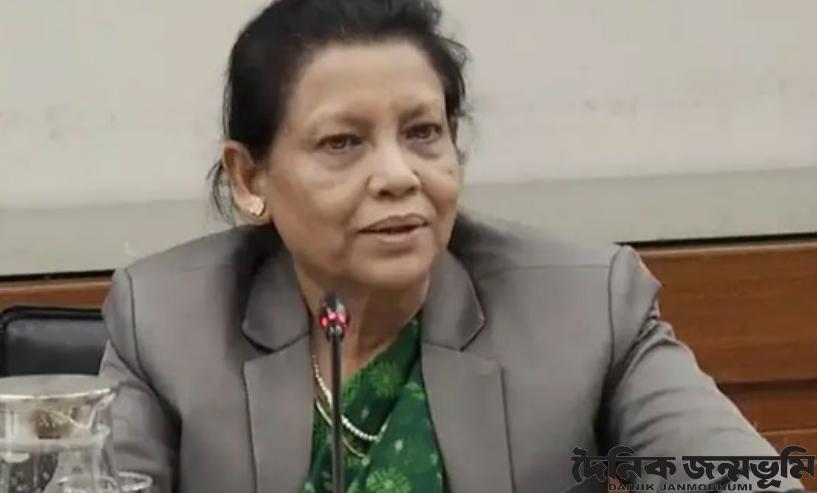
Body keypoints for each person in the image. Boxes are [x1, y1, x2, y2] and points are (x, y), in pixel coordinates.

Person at [99, 1, 805, 492]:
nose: (398, 175)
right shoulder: (166, 323)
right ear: (249, 178)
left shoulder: (585, 308)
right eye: (342, 142)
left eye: (422, 133)